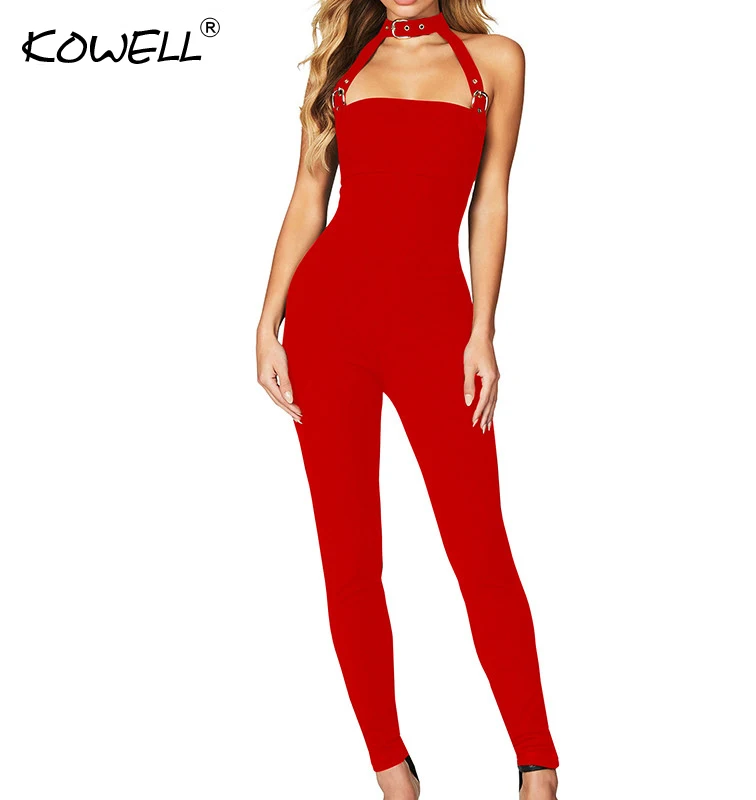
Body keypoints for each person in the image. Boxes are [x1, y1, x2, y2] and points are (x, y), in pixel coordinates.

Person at [256, 2, 559, 797]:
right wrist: (267, 322)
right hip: (327, 326)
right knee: (349, 557)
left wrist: (482, 329)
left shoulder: (496, 61)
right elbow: (308, 197)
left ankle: (537, 766)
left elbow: (491, 198)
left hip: (436, 330)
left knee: (480, 548)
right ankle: (393, 773)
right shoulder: (340, 67)